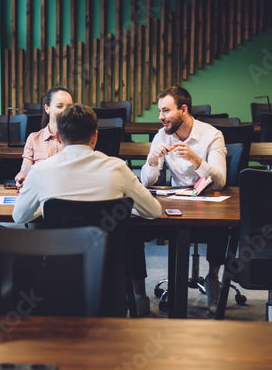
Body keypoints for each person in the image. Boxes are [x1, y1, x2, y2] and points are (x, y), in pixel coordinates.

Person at [133, 85, 227, 315]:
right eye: (160, 111)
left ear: (183, 109)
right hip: (175, 203)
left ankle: (213, 278)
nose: (160, 117)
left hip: (206, 203)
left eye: (165, 111)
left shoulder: (212, 135)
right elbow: (146, 182)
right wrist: (153, 161)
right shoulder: (161, 135)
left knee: (222, 224)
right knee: (133, 228)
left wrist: (197, 160)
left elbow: (220, 182)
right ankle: (138, 294)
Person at [13, 103, 161, 223]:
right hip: (105, 258)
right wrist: (129, 208)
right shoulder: (119, 168)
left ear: (58, 137)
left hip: (58, 258)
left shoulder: (39, 171)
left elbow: (19, 217)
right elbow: (154, 211)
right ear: (95, 136)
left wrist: (45, 205)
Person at [14, 86, 74, 188]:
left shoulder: (77, 138)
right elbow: (26, 170)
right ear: (47, 108)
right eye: (59, 106)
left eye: (69, 107)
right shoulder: (34, 139)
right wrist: (22, 178)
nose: (65, 111)